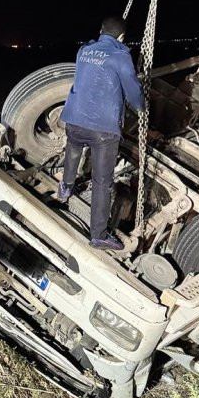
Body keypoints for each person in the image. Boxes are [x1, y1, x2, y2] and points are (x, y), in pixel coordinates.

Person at [57, 16, 146, 251]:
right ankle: (98, 234)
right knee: (102, 182)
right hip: (103, 130)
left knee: (73, 152)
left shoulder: (84, 51)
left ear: (100, 31)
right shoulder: (121, 56)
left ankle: (65, 187)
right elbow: (132, 89)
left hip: (74, 119)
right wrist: (141, 107)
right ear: (122, 38)